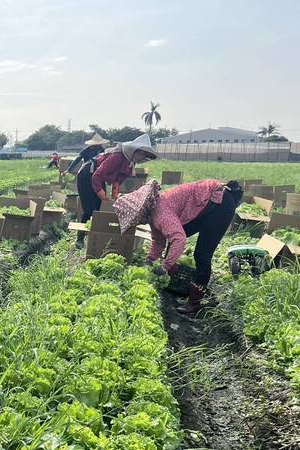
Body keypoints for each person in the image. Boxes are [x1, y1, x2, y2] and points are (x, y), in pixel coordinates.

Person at [148, 179, 243, 314]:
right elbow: (158, 241)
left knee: (202, 254)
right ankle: (173, 278)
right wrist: (150, 259)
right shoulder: (154, 212)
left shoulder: (160, 213)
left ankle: (194, 302)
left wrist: (165, 266)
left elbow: (179, 239)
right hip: (205, 207)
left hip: (220, 205)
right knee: (175, 236)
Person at [75, 133, 157, 248]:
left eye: (144, 156)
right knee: (89, 208)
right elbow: (97, 176)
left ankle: (96, 236)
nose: (141, 158)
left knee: (99, 208)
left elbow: (117, 180)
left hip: (96, 175)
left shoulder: (129, 162)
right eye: (142, 155)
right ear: (135, 151)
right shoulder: (117, 156)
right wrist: (103, 195)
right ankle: (79, 238)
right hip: (86, 174)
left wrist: (114, 195)